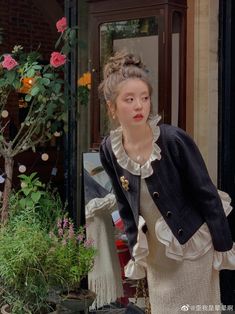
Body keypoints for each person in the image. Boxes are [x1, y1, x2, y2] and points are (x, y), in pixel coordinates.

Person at [99, 51, 235, 313]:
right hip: (157, 257)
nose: (139, 106)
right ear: (112, 108)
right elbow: (123, 202)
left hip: (192, 249)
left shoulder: (173, 140)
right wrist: (135, 248)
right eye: (129, 99)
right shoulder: (110, 149)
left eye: (144, 98)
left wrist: (223, 246)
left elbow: (206, 193)